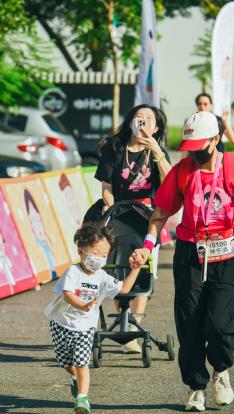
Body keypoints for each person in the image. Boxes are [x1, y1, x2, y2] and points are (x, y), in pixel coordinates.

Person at [130, 111, 234, 411]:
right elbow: (161, 212)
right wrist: (146, 246)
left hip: (228, 255)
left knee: (220, 324)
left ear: (216, 140)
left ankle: (221, 370)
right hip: (191, 254)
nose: (193, 154)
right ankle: (196, 386)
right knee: (189, 324)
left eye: (199, 147)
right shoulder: (182, 171)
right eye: (189, 147)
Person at [95, 104, 171, 353]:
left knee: (144, 269)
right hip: (117, 213)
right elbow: (106, 187)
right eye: (138, 117)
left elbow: (170, 183)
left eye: (149, 119)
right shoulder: (114, 148)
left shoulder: (158, 152)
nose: (143, 121)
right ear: (130, 122)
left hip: (148, 217)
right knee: (117, 269)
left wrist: (157, 151)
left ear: (156, 127)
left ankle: (133, 327)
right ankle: (124, 324)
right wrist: (111, 209)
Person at [44, 222, 142, 414]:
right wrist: (81, 305)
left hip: (85, 327)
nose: (99, 258)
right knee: (65, 362)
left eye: (104, 255)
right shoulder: (73, 272)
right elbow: (67, 294)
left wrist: (136, 269)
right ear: (81, 251)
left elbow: (123, 289)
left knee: (82, 362)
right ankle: (75, 379)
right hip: (61, 323)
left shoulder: (102, 276)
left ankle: (82, 398)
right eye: (95, 253)